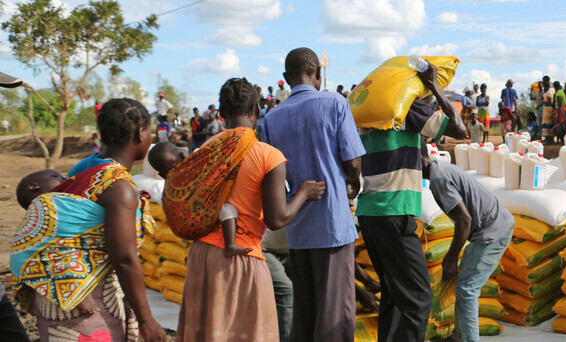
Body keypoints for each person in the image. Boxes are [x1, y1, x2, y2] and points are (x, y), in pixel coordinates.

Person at [165, 78, 327, 342]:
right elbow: (277, 219)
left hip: (201, 255)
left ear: (222, 113)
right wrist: (304, 193)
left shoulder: (205, 149)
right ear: (255, 111)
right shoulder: (267, 155)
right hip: (239, 258)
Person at [12, 99, 166, 342]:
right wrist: (146, 319)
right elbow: (124, 258)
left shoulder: (83, 169)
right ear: (140, 133)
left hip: (60, 295)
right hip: (89, 305)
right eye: (150, 131)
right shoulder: (119, 187)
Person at [260, 48, 366, 342]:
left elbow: (272, 176)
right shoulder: (334, 102)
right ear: (318, 75)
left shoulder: (272, 118)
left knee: (306, 312)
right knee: (335, 315)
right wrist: (353, 183)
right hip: (331, 223)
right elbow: (353, 160)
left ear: (286, 78)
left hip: (298, 228)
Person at [356, 59, 467, 341]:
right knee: (418, 298)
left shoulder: (372, 114)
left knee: (395, 296)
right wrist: (434, 85)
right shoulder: (407, 107)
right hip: (395, 212)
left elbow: (422, 153)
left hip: (370, 213)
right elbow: (459, 129)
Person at [421, 145, 515, 342]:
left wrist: (451, 258)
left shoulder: (439, 179)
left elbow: (465, 220)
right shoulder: (440, 168)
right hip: (490, 227)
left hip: (493, 231)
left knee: (467, 289)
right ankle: (459, 337)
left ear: (418, 160)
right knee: (464, 283)